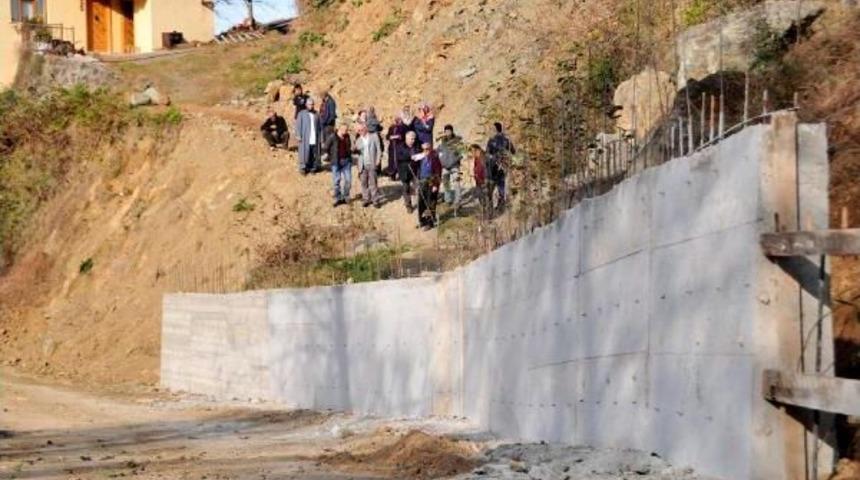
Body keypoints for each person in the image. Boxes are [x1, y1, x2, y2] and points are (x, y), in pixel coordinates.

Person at [486, 122, 516, 211]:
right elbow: (513, 152)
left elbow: (487, 154)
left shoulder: (491, 141)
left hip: (494, 166)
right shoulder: (506, 140)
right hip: (503, 166)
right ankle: (500, 204)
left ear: (496, 130)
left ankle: (492, 206)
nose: (490, 131)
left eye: (492, 129)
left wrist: (492, 158)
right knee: (501, 184)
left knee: (492, 185)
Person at [354, 123, 383, 208]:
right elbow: (356, 151)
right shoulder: (358, 140)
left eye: (362, 129)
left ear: (366, 128)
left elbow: (379, 149)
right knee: (364, 183)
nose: (361, 131)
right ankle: (366, 199)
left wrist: (378, 160)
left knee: (373, 183)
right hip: (362, 164)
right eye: (359, 130)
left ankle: (375, 200)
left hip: (372, 163)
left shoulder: (374, 136)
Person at [324, 123, 353, 207]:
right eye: (345, 130)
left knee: (348, 180)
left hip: (346, 161)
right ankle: (337, 198)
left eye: (347, 130)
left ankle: (346, 196)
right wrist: (331, 156)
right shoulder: (332, 137)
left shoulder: (347, 136)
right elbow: (326, 147)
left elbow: (349, 146)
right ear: (339, 129)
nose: (346, 131)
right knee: (336, 181)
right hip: (336, 162)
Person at [437, 124, 464, 211]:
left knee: (457, 184)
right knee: (446, 184)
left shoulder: (457, 141)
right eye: (446, 131)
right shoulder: (442, 142)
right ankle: (448, 200)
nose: (447, 133)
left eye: (449, 131)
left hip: (455, 166)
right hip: (445, 167)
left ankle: (457, 201)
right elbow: (438, 152)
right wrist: (441, 161)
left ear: (452, 131)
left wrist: (455, 160)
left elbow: (462, 153)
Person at [416, 141, 442, 230]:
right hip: (422, 182)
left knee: (430, 203)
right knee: (421, 202)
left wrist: (435, 185)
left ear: (430, 149)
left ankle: (430, 222)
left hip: (431, 182)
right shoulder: (421, 158)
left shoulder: (434, 158)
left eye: (427, 149)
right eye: (423, 149)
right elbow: (418, 170)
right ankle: (422, 220)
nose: (425, 151)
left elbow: (438, 173)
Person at [396, 130, 422, 213]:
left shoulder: (417, 146)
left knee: (418, 187)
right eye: (411, 139)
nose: (413, 141)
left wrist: (419, 156)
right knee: (406, 188)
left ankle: (420, 203)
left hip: (415, 170)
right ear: (406, 138)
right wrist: (409, 157)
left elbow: (420, 155)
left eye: (414, 139)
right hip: (404, 171)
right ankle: (408, 205)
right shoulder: (400, 146)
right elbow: (399, 157)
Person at [296, 97, 323, 174]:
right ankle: (303, 168)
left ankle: (313, 168)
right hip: (305, 137)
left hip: (315, 137)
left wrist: (321, 137)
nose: (311, 106)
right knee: (304, 153)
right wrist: (298, 135)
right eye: (309, 104)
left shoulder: (317, 114)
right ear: (306, 105)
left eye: (312, 104)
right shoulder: (301, 114)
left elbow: (320, 127)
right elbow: (298, 125)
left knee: (314, 153)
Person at [469, 144, 491, 220]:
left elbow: (486, 170)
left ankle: (488, 217)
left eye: (473, 152)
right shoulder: (477, 158)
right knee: (481, 199)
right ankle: (484, 215)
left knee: (485, 199)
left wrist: (486, 180)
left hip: (484, 182)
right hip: (479, 181)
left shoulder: (483, 157)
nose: (472, 154)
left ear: (477, 150)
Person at [386, 115, 408, 180]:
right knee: (392, 162)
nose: (397, 121)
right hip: (392, 147)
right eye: (396, 119)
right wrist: (391, 137)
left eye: (398, 119)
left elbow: (405, 136)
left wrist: (399, 137)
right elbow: (387, 136)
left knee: (400, 161)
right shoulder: (392, 127)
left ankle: (401, 175)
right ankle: (392, 175)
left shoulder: (404, 127)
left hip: (400, 147)